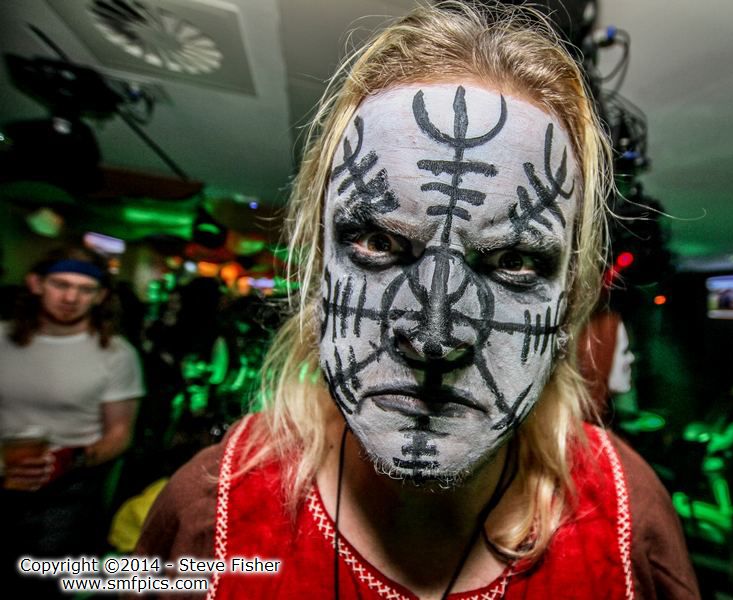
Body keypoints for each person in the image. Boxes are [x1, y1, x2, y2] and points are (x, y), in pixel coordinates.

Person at [136, 3, 699, 599]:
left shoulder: (626, 523)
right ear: (318, 270)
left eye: (514, 260)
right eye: (378, 242)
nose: (434, 335)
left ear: (569, 302)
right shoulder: (211, 510)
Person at [0, 244, 144, 589]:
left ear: (100, 296)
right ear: (36, 284)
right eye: (60, 284)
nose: (70, 298)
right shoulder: (2, 339)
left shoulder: (116, 355)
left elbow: (120, 433)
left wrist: (71, 459)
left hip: (66, 495)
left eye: (85, 289)